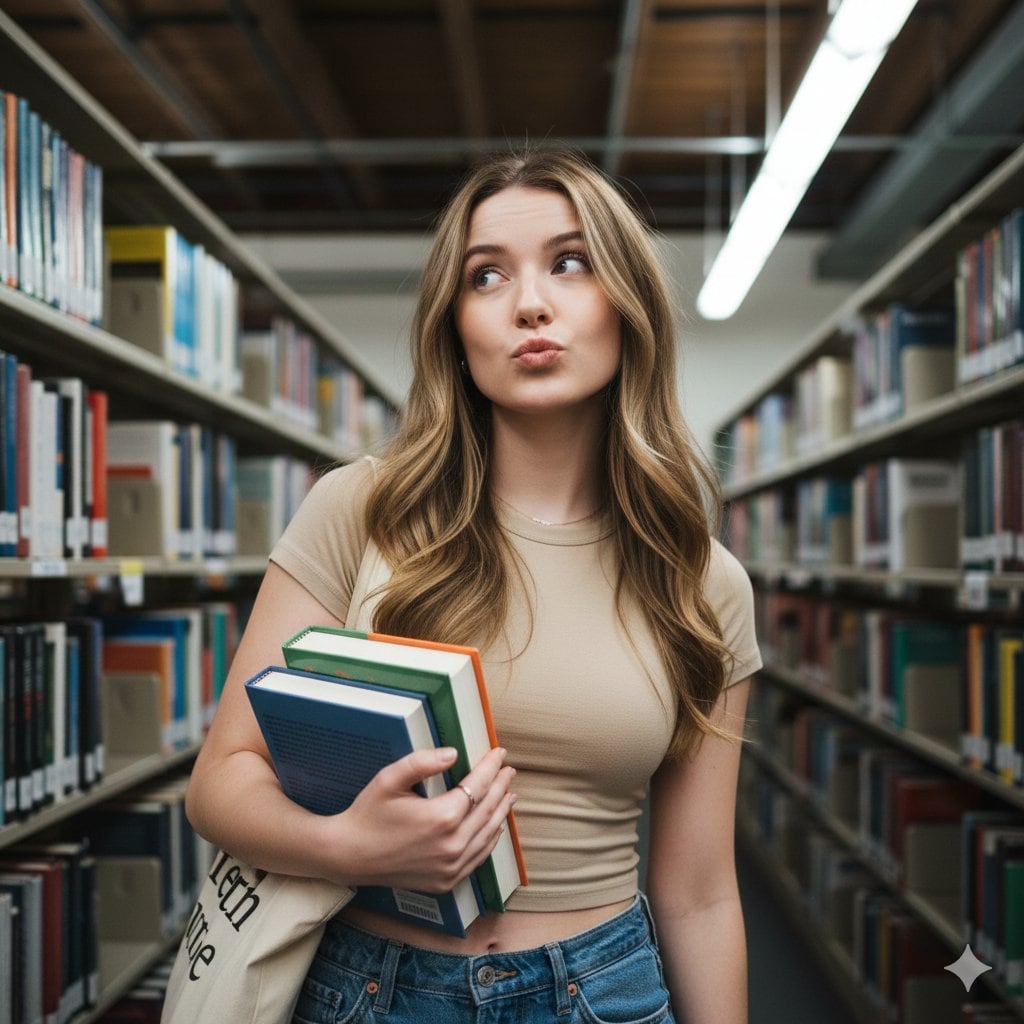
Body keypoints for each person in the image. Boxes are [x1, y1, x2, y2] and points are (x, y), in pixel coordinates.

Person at [185, 146, 761, 1024]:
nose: (530, 302)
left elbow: (700, 891)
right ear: (455, 326)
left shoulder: (701, 580)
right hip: (369, 987)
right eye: (485, 277)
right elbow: (222, 780)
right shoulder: (362, 510)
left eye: (570, 264)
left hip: (600, 993)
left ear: (628, 302)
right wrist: (342, 845)